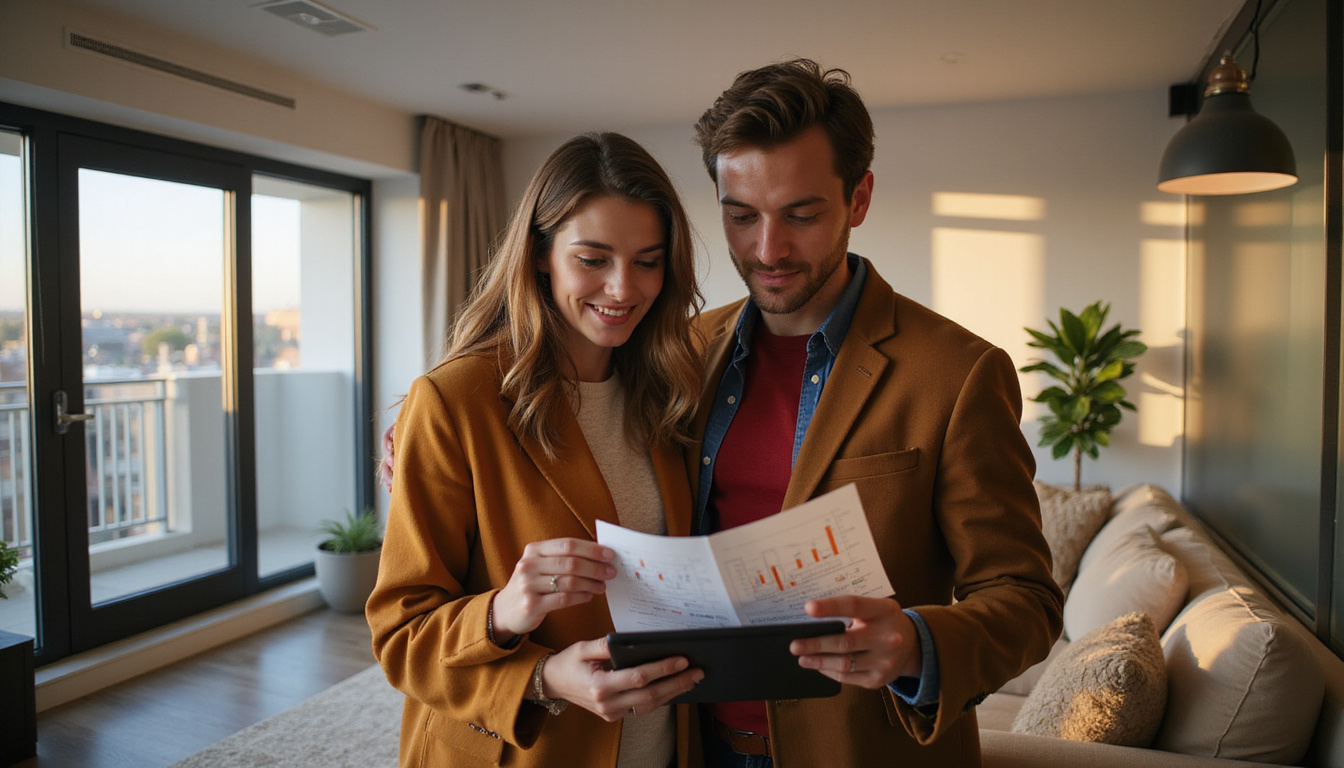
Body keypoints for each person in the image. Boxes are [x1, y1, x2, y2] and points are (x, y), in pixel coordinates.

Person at [688, 59, 1063, 767]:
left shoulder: (959, 373)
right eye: (741, 216)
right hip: (688, 742)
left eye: (801, 214)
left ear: (858, 198)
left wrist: (917, 643)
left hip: (864, 749)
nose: (767, 249)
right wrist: (427, 435)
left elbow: (1026, 600)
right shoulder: (683, 353)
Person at [366, 132, 708, 768]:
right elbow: (400, 636)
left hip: (663, 745)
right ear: (541, 255)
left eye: (648, 260)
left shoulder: (673, 386)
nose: (622, 288)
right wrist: (523, 646)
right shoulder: (456, 401)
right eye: (593, 259)